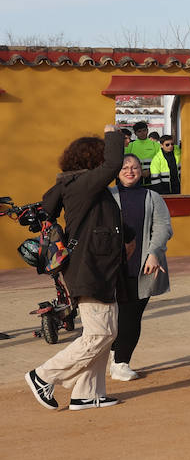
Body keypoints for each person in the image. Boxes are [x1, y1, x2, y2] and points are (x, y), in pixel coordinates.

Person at [25, 126, 127, 411]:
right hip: (89, 268)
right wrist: (113, 134)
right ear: (93, 160)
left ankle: (87, 393)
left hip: (97, 267)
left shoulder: (81, 186)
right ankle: (42, 375)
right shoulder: (81, 184)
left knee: (105, 332)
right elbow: (113, 164)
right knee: (99, 334)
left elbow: (102, 221)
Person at [109, 154, 172, 381]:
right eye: (125, 167)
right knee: (112, 317)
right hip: (111, 269)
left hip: (143, 267)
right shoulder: (107, 196)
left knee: (131, 316)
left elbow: (163, 226)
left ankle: (121, 363)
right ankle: (115, 354)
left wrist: (154, 253)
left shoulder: (152, 196)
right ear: (117, 171)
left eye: (135, 167)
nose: (130, 171)